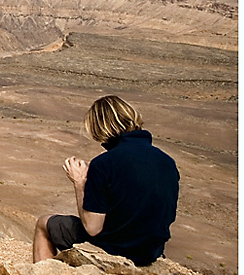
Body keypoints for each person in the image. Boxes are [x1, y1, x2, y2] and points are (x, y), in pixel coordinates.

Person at [33, 95, 179, 266]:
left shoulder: (104, 164)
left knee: (44, 224)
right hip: (151, 251)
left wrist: (79, 182)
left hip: (116, 248)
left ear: (99, 128)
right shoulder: (167, 162)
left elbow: (92, 228)